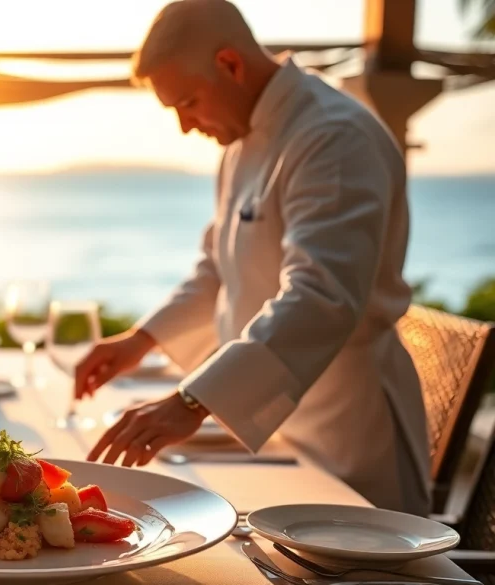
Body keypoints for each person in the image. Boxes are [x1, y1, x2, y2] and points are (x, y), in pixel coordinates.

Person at [76, 0, 430, 515]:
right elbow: (217, 267)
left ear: (230, 64)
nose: (184, 126)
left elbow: (321, 297)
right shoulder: (240, 144)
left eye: (187, 102)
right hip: (270, 428)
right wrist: (141, 339)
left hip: (343, 434)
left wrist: (192, 401)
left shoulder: (333, 137)